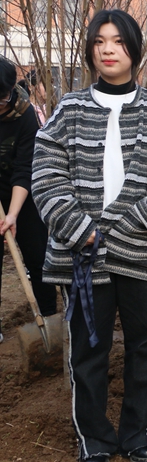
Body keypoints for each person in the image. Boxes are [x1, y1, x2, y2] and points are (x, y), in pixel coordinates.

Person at [31, 9, 147, 462]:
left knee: (145, 350)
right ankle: (94, 440)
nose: (108, 49)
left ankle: (137, 435)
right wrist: (80, 230)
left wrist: (129, 225)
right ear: (89, 50)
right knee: (88, 354)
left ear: (135, 50)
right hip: (83, 255)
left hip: (145, 253)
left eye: (118, 41)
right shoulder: (68, 108)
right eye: (100, 41)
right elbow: (46, 176)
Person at [0, 58, 55, 346]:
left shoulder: (26, 116)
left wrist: (12, 215)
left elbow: (25, 168)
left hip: (24, 193)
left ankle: (48, 315)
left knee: (38, 254)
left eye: (2, 99)